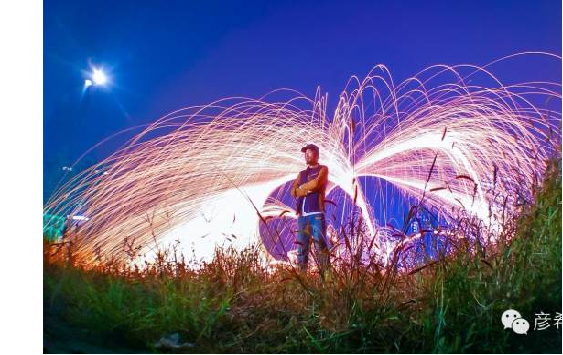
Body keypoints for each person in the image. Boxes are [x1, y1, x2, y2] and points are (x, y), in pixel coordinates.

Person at [290, 143, 330, 276]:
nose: (306, 155)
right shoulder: (301, 174)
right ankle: (303, 278)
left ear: (317, 155)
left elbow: (317, 183)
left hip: (316, 214)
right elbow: (293, 192)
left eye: (309, 152)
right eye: (305, 153)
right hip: (302, 216)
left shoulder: (323, 169)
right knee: (301, 247)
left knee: (321, 246)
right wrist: (305, 190)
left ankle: (326, 279)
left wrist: (302, 188)